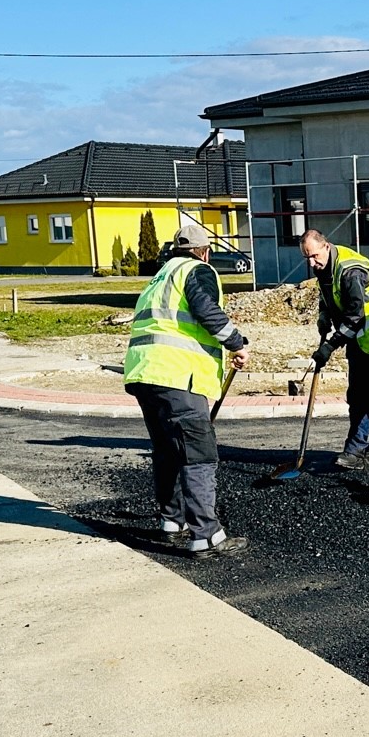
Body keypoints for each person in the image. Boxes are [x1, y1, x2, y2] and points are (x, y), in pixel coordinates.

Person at [123, 228, 250, 554]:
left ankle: (172, 521)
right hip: (177, 375)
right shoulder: (198, 270)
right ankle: (205, 536)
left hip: (144, 374)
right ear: (204, 252)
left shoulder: (160, 276)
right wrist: (236, 343)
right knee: (198, 453)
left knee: (168, 450)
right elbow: (205, 308)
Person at [299, 227, 369, 469]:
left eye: (314, 256)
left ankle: (355, 450)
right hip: (359, 331)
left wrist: (330, 346)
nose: (312, 263)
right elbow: (328, 296)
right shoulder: (325, 266)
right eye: (307, 258)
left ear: (326, 246)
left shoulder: (350, 271)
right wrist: (324, 316)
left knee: (359, 390)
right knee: (362, 389)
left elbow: (355, 318)